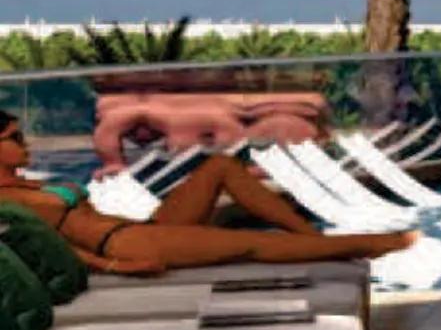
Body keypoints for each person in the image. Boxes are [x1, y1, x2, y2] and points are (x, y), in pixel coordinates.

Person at [0, 112, 414, 275]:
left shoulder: (24, 183)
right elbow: (45, 245)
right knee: (250, 244)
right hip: (121, 244)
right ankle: (375, 244)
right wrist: (113, 267)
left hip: (138, 228)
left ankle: (312, 239)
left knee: (220, 167)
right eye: (15, 138)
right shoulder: (7, 202)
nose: (26, 143)